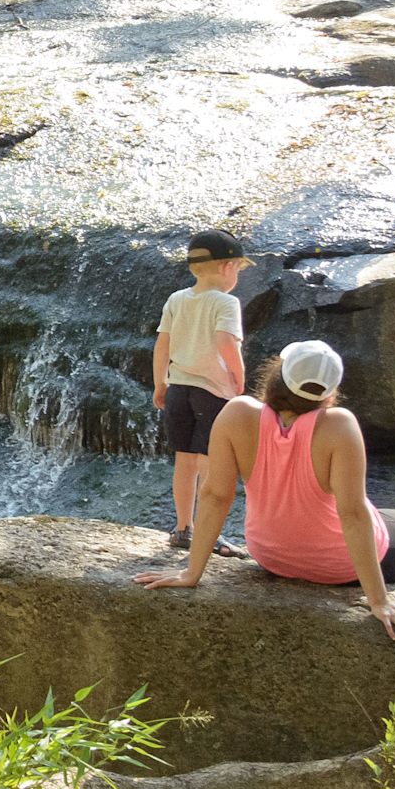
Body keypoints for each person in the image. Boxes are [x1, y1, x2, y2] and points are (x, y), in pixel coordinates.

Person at [135, 339, 395, 644]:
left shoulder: (236, 413)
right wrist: (379, 602)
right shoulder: (339, 425)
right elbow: (352, 513)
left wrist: (191, 573)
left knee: (384, 516)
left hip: (271, 556)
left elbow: (215, 495)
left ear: (277, 376)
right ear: (330, 392)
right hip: (339, 566)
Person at [149, 230, 251, 554]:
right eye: (237, 267)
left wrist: (159, 382)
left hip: (178, 387)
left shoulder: (176, 299)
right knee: (211, 463)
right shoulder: (226, 302)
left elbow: (161, 344)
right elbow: (225, 343)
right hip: (213, 391)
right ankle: (211, 535)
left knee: (185, 460)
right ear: (226, 267)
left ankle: (182, 528)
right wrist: (239, 378)